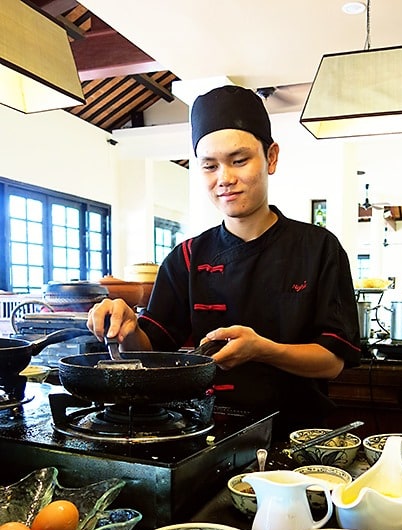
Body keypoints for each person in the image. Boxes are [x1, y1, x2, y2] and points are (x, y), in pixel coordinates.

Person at [87, 85, 361, 436]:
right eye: (209, 166)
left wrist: (264, 350)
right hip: (203, 434)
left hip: (296, 436)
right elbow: (150, 352)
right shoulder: (186, 257)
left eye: (239, 160)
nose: (225, 179)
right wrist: (123, 328)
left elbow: (333, 361)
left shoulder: (319, 248)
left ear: (271, 158)